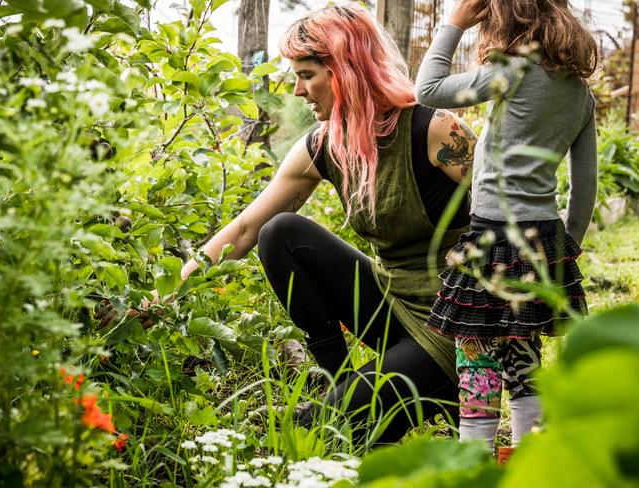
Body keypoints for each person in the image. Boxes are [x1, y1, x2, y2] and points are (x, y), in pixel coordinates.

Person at [144, 5, 477, 444]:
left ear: (346, 71)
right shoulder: (325, 145)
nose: (298, 90)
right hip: (393, 306)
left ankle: (393, 398)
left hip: (454, 328)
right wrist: (164, 297)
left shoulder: (434, 129)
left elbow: (515, 212)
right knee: (280, 233)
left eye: (306, 74)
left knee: (318, 431)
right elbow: (244, 231)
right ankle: (337, 381)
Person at [414, 0, 598, 450]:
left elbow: (428, 89)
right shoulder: (579, 93)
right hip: (543, 239)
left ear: (502, 20)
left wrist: (455, 22)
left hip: (492, 235)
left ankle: (473, 465)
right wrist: (565, 244)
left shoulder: (511, 72)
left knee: (476, 358)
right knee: (523, 355)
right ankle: (526, 462)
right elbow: (585, 183)